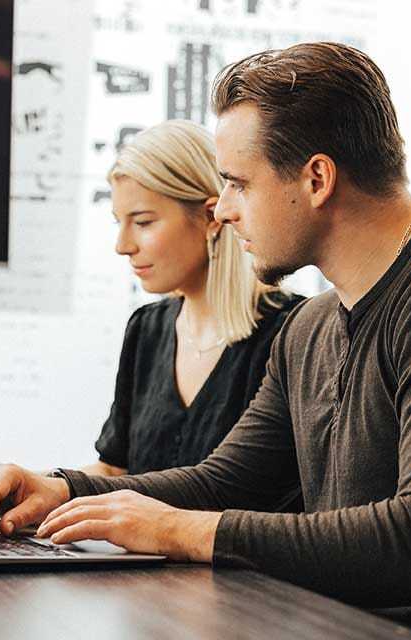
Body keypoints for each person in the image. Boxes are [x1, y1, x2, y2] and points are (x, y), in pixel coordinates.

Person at [0, 42, 411, 638]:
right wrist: (62, 487)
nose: (220, 210)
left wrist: (180, 532)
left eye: (239, 184)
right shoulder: (311, 327)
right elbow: (225, 481)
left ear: (317, 179)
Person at [83, 120, 302, 478]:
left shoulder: (291, 331)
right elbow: (113, 470)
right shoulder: (146, 329)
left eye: (142, 222)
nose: (123, 246)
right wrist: (34, 488)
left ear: (210, 218)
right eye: (118, 223)